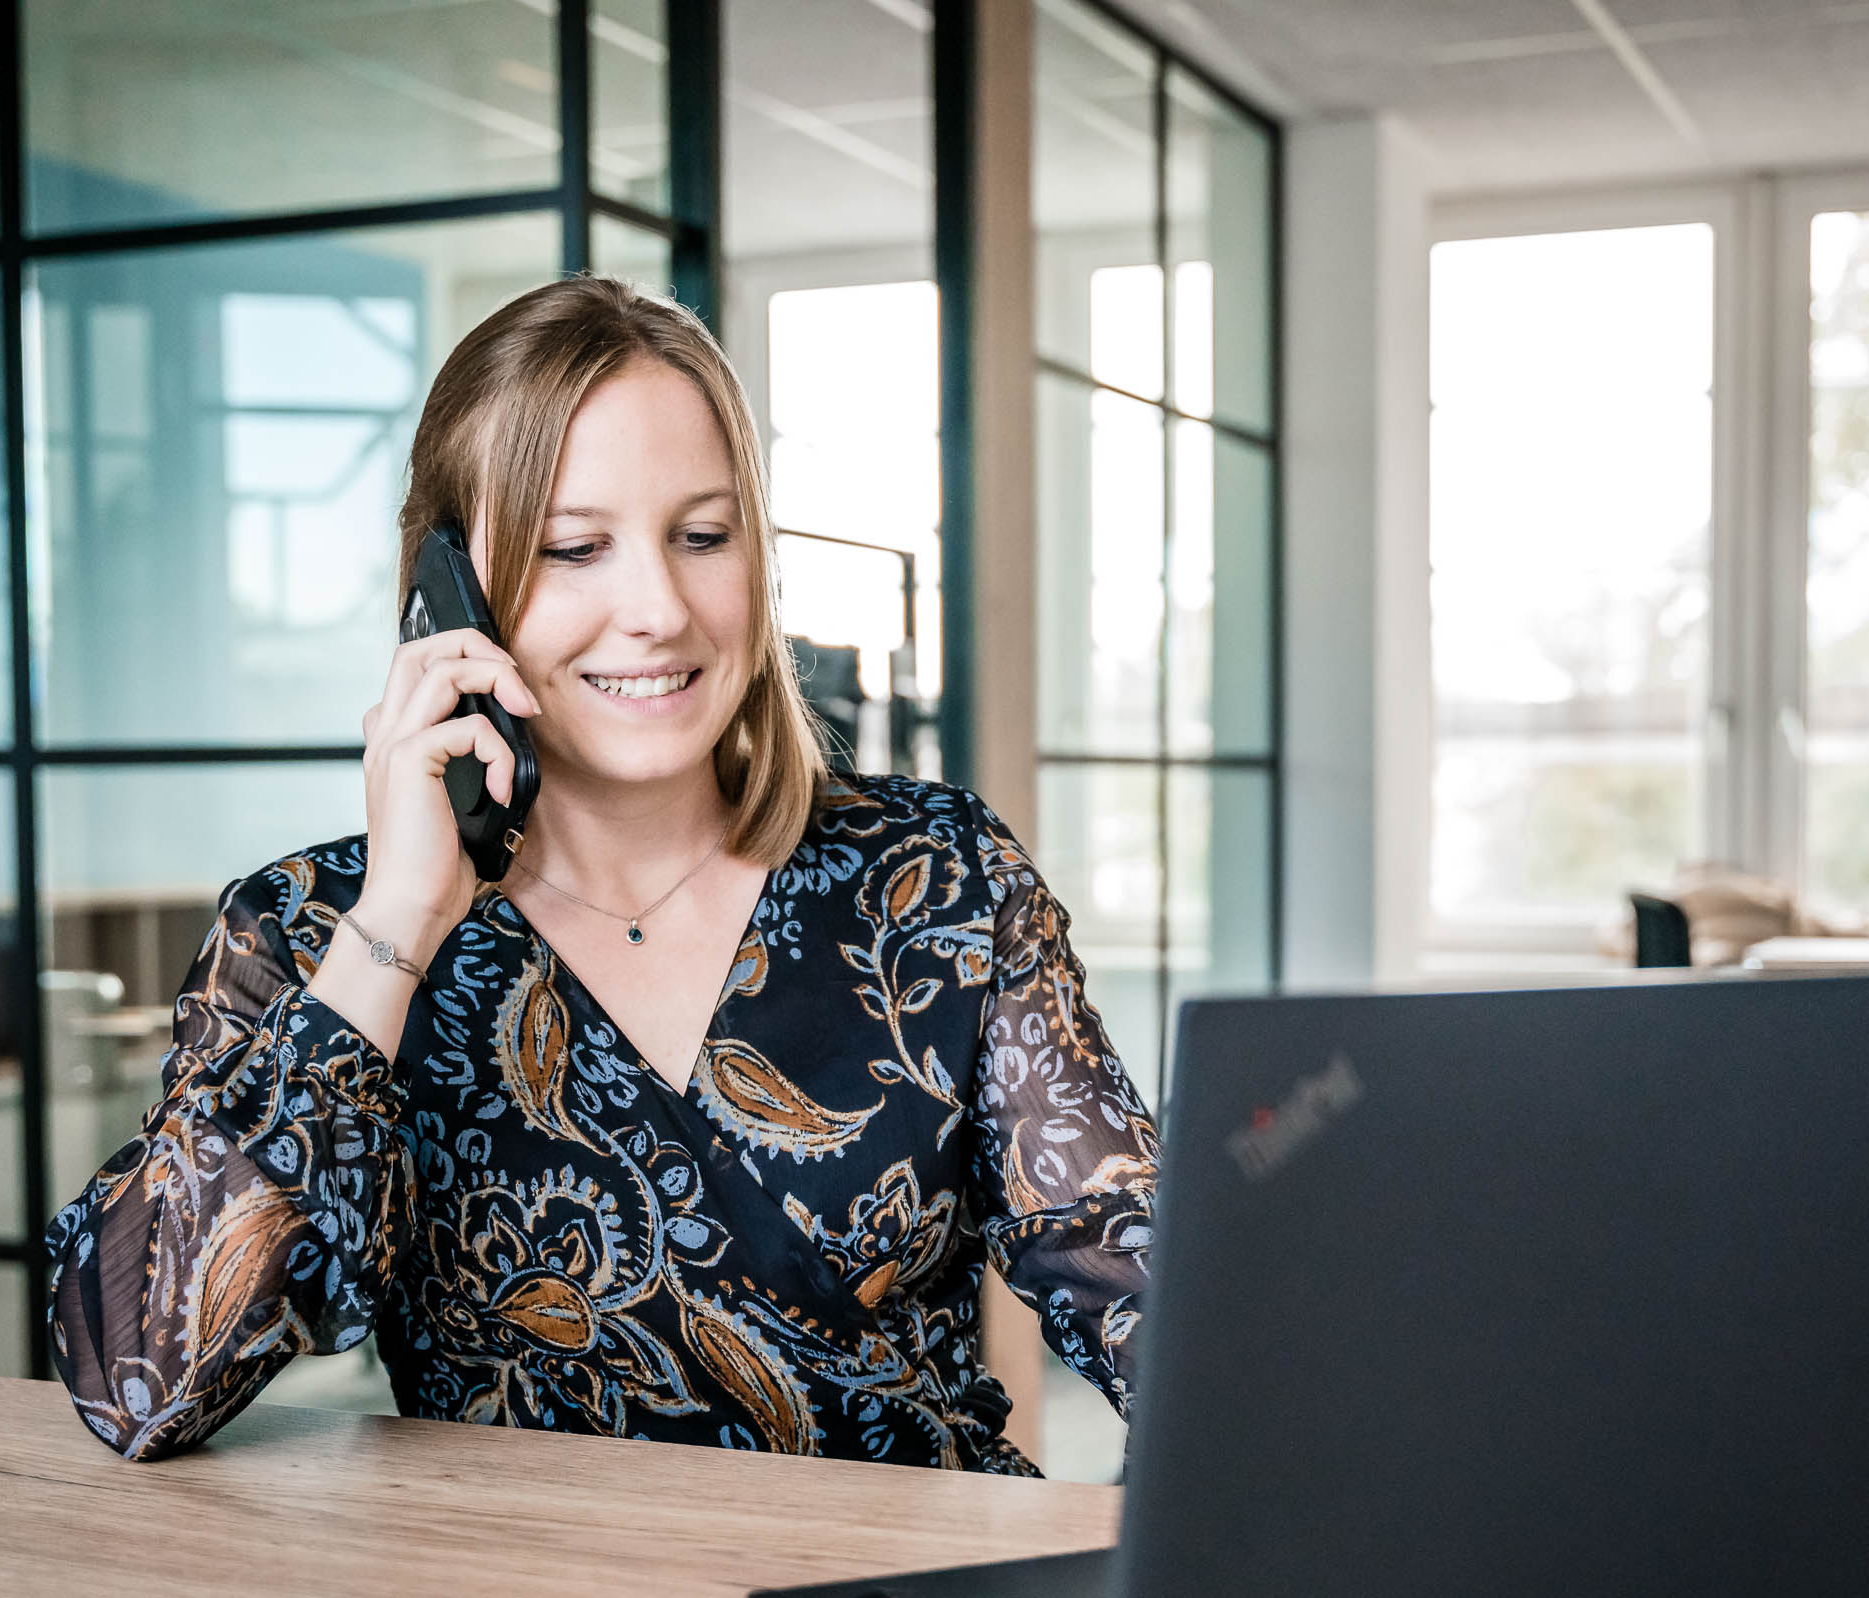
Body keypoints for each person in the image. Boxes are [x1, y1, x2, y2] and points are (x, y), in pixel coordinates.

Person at [45, 276, 1157, 1472]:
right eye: (575, 548)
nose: (659, 608)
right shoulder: (313, 930)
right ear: (445, 592)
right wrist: (401, 925)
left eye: (703, 535)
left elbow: (1135, 1272)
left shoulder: (932, 877)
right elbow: (138, 1375)